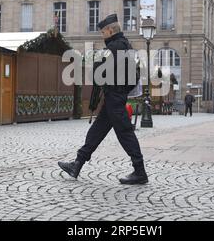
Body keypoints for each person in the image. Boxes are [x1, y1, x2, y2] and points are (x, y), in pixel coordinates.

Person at [58, 14, 148, 185]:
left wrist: (113, 87)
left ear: (110, 30)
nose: (102, 35)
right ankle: (77, 164)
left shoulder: (116, 47)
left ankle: (140, 171)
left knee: (125, 133)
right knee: (97, 131)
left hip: (115, 96)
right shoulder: (124, 45)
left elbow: (100, 70)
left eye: (103, 32)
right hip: (114, 96)